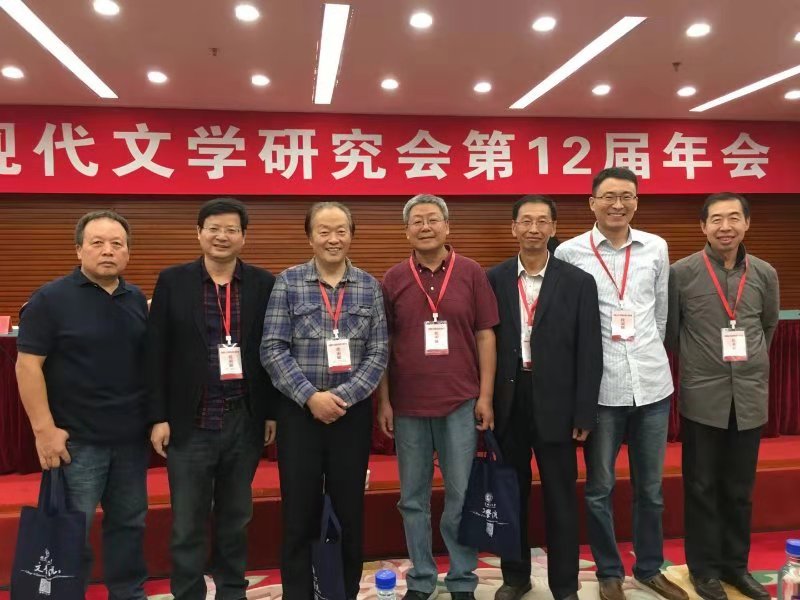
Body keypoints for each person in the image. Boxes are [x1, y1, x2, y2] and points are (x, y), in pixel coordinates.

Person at [554, 168, 687, 600]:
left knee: (651, 489)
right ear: (591, 203)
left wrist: (647, 353)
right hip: (602, 389)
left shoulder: (656, 247)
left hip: (651, 385)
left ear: (637, 202)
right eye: (609, 196)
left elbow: (661, 313)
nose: (618, 204)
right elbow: (567, 323)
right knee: (600, 488)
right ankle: (609, 571)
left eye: (627, 196)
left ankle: (649, 568)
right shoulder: (570, 252)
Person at [147, 197, 277, 600]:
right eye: (214, 228)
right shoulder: (173, 281)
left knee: (235, 519)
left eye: (231, 230)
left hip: (244, 419)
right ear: (199, 233)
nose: (222, 236)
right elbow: (156, 352)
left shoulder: (263, 283)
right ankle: (188, 593)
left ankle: (232, 591)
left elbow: (271, 350)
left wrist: (270, 413)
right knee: (188, 523)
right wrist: (158, 416)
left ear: (243, 237)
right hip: (191, 421)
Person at [16, 210, 149, 599]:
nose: (108, 251)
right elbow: (27, 366)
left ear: (127, 252)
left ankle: (128, 593)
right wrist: (44, 430)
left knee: (129, 526)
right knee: (70, 531)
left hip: (130, 440)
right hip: (76, 442)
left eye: (117, 244)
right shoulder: (50, 299)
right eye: (97, 243)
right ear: (78, 250)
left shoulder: (135, 299)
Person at [260, 201, 388, 600]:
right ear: (310, 236)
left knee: (349, 511)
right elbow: (272, 348)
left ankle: (342, 592)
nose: (333, 239)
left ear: (352, 235)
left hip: (351, 416)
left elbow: (379, 352)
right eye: (324, 231)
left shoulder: (369, 286)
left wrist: (341, 398)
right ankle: (298, 593)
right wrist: (311, 397)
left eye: (341, 231)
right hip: (300, 415)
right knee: (299, 512)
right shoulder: (288, 282)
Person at [377, 194, 499, 600]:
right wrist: (385, 401)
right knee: (412, 499)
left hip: (460, 402)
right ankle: (421, 578)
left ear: (447, 226)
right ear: (406, 231)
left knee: (461, 495)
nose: (425, 227)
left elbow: (485, 335)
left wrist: (485, 396)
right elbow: (383, 344)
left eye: (433, 219)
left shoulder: (471, 272)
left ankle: (462, 578)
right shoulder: (394, 277)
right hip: (409, 406)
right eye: (417, 221)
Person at [488, 195, 602, 600]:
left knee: (560, 498)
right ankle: (515, 576)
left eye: (542, 221)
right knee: (509, 493)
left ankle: (565, 585)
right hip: (509, 400)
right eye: (526, 221)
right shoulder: (494, 279)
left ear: (554, 228)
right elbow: (483, 342)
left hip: (558, 404)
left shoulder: (578, 282)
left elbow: (590, 351)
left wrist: (585, 411)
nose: (533, 229)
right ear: (513, 228)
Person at [667, 193, 779, 600]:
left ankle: (736, 567)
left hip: (748, 398)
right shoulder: (681, 273)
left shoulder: (764, 273)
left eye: (734, 218)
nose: (725, 226)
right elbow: (672, 332)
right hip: (703, 398)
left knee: (739, 489)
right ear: (703, 226)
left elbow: (767, 327)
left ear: (747, 223)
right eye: (716, 219)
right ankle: (705, 570)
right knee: (701, 487)